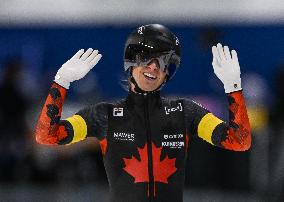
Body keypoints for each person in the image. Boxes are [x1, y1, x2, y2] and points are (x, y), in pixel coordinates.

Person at [35, 24, 251, 202]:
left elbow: (238, 141)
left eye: (163, 62)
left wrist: (233, 86)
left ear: (168, 73)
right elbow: (47, 136)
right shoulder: (104, 115)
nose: (154, 67)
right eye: (147, 58)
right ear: (131, 62)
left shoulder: (186, 113)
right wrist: (61, 82)